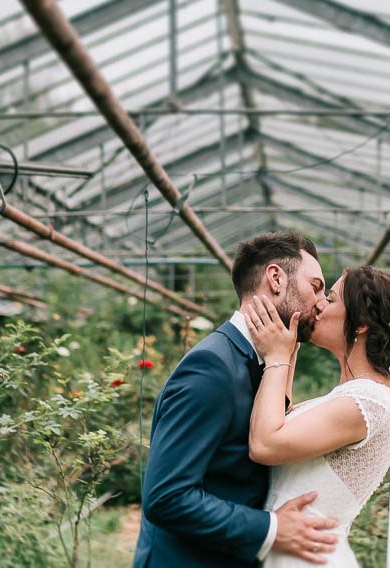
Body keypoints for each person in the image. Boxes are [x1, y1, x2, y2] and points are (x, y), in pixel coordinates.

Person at [134, 232, 342, 567]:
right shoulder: (212, 366)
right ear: (275, 278)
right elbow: (166, 496)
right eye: (315, 286)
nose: (321, 302)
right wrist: (271, 528)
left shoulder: (260, 361)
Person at [242, 266, 390, 567]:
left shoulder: (370, 401)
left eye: (330, 299)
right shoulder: (352, 395)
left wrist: (276, 357)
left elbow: (265, 444)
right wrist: (288, 351)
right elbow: (279, 420)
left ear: (360, 325)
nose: (318, 305)